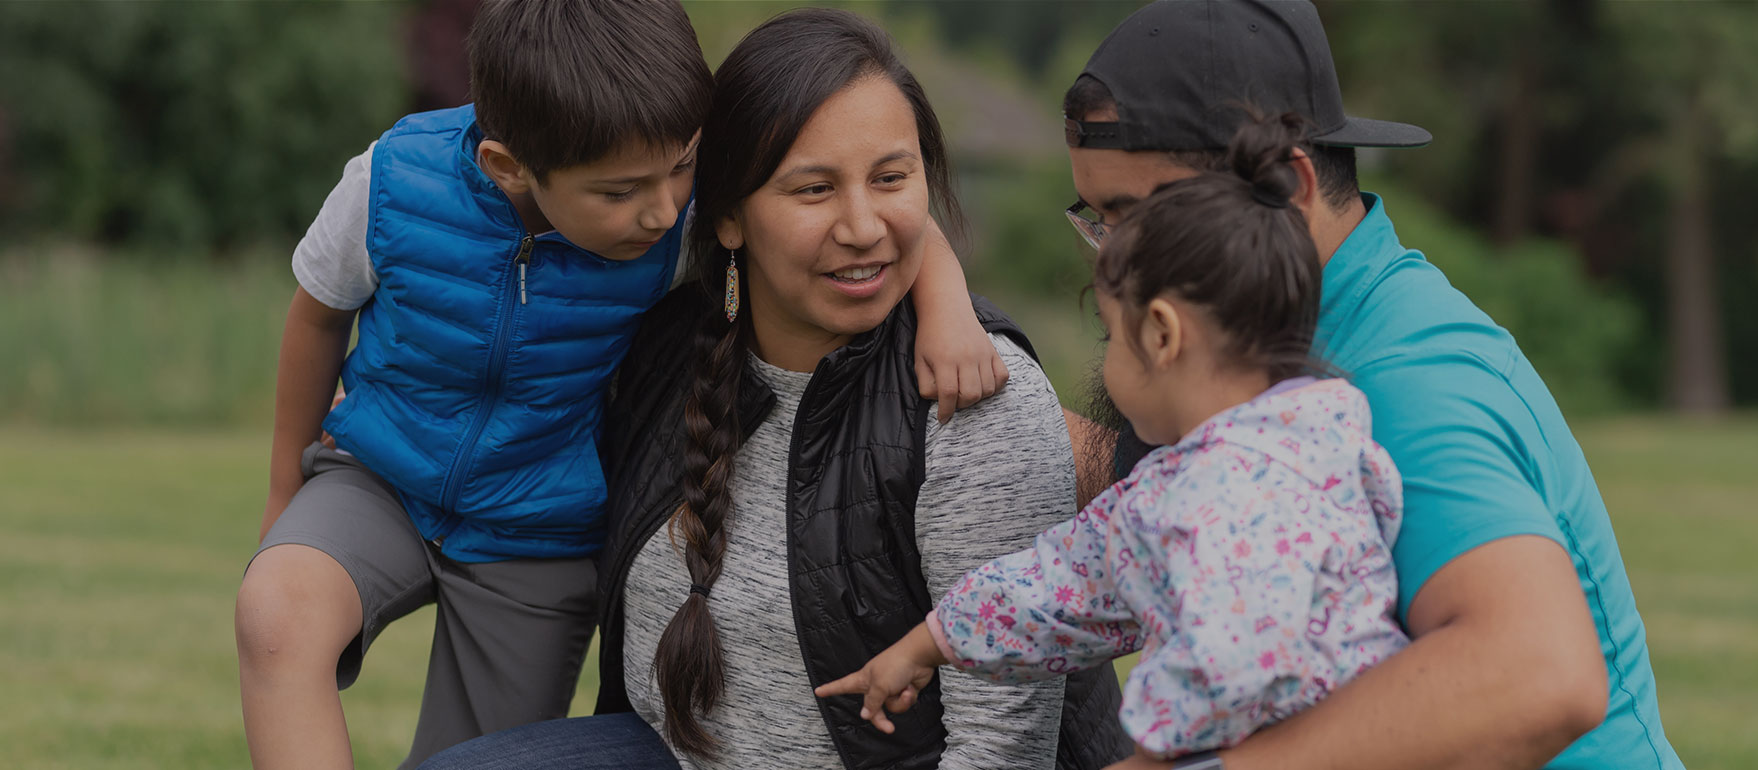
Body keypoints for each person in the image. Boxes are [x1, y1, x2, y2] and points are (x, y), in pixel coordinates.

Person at [232, 1, 1005, 767]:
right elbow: (318, 317)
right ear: (509, 166)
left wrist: (947, 309)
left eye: (682, 167)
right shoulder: (392, 182)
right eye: (618, 192)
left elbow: (881, 207)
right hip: (381, 476)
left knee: (477, 761)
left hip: (538, 529)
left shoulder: (677, 216)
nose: (663, 210)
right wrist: (282, 491)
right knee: (275, 612)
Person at [418, 8, 1132, 770]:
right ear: (726, 217)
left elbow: (1002, 750)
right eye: (813, 189)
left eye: (891, 178)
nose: (863, 226)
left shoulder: (971, 396)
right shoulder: (662, 347)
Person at [1058, 2, 1684, 768]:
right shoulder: (1272, 341)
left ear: (1289, 188)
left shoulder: (1402, 379)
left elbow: (1543, 676)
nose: (1112, 260)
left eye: (1137, 217)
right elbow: (1170, 502)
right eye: (1098, 220)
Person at [819, 113, 1410, 766]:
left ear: (1161, 334)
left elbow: (1232, 669)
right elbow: (1068, 582)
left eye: (1110, 335)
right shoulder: (1329, 445)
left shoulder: (1220, 497)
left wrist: (1153, 759)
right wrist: (929, 644)